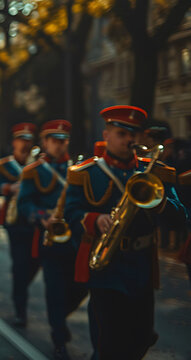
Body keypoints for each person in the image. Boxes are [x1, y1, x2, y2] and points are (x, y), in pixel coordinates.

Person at [65, 106, 187, 359]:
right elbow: (70, 212)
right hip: (106, 270)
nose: (129, 140)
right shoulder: (88, 173)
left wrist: (159, 201)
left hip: (141, 268)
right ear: (106, 134)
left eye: (134, 135)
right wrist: (94, 218)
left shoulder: (155, 172)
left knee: (141, 339)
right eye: (121, 133)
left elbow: (180, 219)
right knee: (110, 343)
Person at [17, 120, 87, 359]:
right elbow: (24, 204)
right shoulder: (32, 171)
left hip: (76, 240)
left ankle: (59, 318)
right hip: (49, 240)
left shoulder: (79, 170)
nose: (59, 145)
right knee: (55, 291)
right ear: (45, 142)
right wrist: (42, 217)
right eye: (55, 141)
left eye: (63, 141)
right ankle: (59, 336)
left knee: (80, 288)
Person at [0, 122, 39, 327]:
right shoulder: (4, 165)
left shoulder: (39, 165)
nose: (25, 145)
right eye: (22, 140)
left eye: (28, 141)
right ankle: (21, 309)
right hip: (15, 223)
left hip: (36, 222)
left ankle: (20, 290)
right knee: (20, 266)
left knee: (34, 265)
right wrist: (9, 187)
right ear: (14, 143)